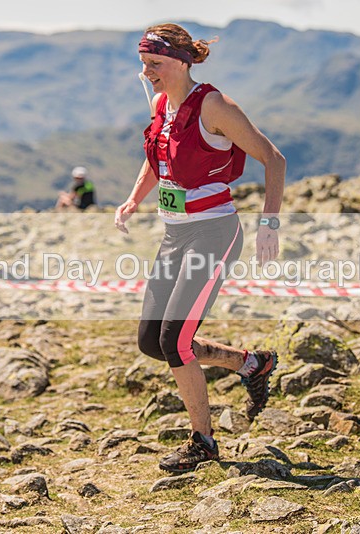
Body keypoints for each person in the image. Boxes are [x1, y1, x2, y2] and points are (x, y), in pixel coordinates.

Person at [114, 23, 286, 473]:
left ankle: (203, 442)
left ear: (182, 61)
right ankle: (250, 364)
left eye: (155, 63)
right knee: (152, 341)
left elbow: (274, 159)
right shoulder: (159, 104)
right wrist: (135, 198)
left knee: (175, 341)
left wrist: (270, 224)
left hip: (214, 233)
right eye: (144, 63)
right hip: (175, 236)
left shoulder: (214, 105)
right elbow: (161, 158)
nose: (147, 71)